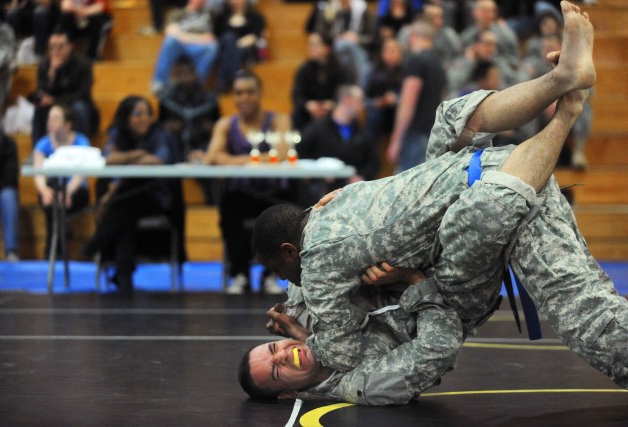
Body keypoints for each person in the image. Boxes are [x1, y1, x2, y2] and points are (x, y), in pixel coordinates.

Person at [247, 2, 628, 397]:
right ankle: (567, 111)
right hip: (447, 280)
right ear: (288, 393)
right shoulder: (356, 382)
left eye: (274, 347)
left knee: (449, 120)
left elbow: (309, 259)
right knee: (479, 218)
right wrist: (413, 282)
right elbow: (433, 347)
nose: (283, 354)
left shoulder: (305, 282)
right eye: (277, 371)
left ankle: (561, 79)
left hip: (455, 213)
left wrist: (301, 324)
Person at [81, 96, 182, 295]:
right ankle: (123, 275)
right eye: (138, 114)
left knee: (124, 202)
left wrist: (123, 166)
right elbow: (109, 158)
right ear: (126, 116)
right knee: (125, 213)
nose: (144, 118)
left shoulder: (159, 133)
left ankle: (98, 242)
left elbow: (158, 160)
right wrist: (136, 154)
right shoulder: (117, 133)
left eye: (148, 114)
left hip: (154, 197)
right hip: (127, 199)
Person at [204, 70, 293, 295]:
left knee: (283, 213)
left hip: (271, 191)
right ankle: (239, 273)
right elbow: (213, 156)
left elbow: (282, 153)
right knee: (228, 206)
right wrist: (257, 159)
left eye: (250, 92)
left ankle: (272, 274)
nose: (245, 97)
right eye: (239, 93)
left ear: (260, 93)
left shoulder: (277, 120)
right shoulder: (226, 124)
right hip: (241, 192)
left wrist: (234, 160)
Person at [298, 84, 379, 202]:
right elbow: (301, 153)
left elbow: (373, 161)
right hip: (322, 192)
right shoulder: (317, 129)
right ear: (347, 101)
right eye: (359, 101)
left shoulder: (362, 132)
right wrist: (318, 174)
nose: (361, 107)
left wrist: (362, 176)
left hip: (353, 192)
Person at [158, 55, 220, 204]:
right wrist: (168, 126)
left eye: (190, 73)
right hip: (176, 146)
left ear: (196, 74)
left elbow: (218, 125)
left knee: (211, 164)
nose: (186, 78)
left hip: (201, 145)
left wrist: (209, 127)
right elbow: (159, 126)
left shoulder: (209, 100)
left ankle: (212, 206)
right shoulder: (167, 99)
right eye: (182, 74)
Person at [387, 19, 446, 172]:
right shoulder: (438, 63)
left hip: (414, 136)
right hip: (431, 135)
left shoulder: (416, 60)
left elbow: (408, 102)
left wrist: (396, 140)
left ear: (413, 35)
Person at [33, 103, 90, 258]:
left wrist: (68, 191)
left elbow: (81, 173)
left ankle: (51, 250)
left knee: (56, 201)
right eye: (49, 118)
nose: (50, 122)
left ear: (68, 124)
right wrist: (43, 190)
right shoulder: (43, 143)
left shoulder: (80, 141)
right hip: (53, 189)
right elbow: (38, 172)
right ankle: (61, 237)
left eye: (56, 118)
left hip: (76, 190)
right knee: (51, 196)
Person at [30, 29, 99, 145]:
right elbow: (41, 92)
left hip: (75, 103)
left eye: (60, 46)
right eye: (52, 47)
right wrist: (51, 74)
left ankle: (83, 148)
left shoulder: (83, 64)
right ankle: (37, 150)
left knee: (79, 108)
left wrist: (55, 101)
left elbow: (83, 93)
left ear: (70, 46)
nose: (56, 51)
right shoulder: (45, 64)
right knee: (39, 108)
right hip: (53, 104)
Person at [151, 0, 218, 95]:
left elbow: (210, 38)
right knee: (170, 41)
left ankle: (196, 85)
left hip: (200, 48)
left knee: (212, 47)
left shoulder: (208, 14)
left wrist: (182, 36)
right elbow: (171, 33)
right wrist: (200, 38)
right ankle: (160, 83)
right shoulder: (177, 13)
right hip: (181, 46)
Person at [290, 32, 350, 132]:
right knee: (297, 115)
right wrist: (308, 105)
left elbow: (344, 92)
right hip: (309, 111)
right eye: (310, 45)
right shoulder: (304, 70)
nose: (311, 48)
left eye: (315, 45)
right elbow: (297, 95)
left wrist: (332, 104)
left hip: (333, 110)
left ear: (327, 48)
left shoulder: (339, 70)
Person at [213, 0, 266, 93]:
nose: (234, 2)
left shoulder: (255, 17)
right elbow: (216, 37)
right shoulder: (221, 18)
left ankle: (223, 81)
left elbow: (255, 36)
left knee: (234, 46)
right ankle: (235, 78)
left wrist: (237, 44)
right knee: (228, 39)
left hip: (246, 49)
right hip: (224, 50)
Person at [0, 111, 19, 261]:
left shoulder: (7, 145)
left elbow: (11, 177)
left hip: (1, 190)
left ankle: (11, 250)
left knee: (9, 196)